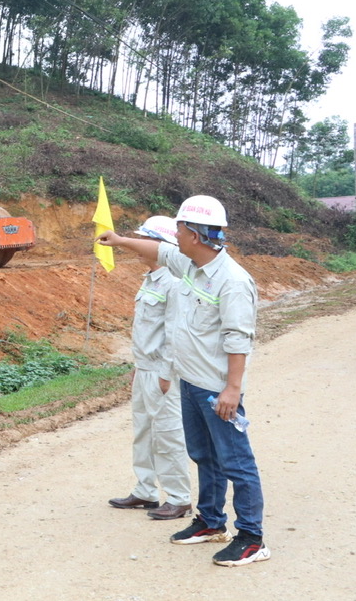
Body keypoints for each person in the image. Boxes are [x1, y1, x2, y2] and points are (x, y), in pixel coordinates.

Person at [97, 195, 270, 567]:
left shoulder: (232, 281)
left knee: (236, 463)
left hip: (216, 389)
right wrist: (121, 240)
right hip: (190, 382)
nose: (173, 236)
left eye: (178, 229)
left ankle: (251, 538)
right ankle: (210, 521)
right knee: (204, 456)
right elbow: (159, 251)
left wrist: (232, 389)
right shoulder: (190, 265)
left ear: (193, 234)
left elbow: (239, 339)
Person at [107, 215, 191, 521]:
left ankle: (179, 498)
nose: (137, 244)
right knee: (143, 431)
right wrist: (138, 366)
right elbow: (147, 330)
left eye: (144, 239)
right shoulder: (151, 278)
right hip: (145, 368)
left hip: (161, 372)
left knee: (167, 433)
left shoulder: (174, 281)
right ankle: (145, 490)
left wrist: (166, 372)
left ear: (160, 244)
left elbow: (174, 333)